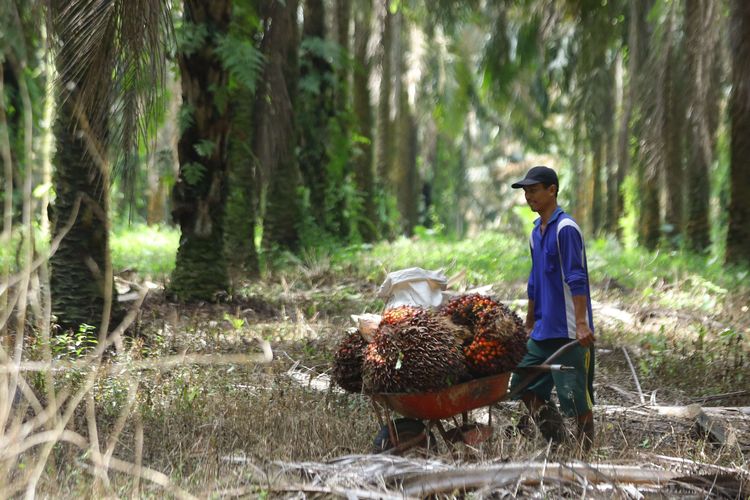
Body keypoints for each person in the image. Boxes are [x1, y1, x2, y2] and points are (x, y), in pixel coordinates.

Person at [509, 165, 596, 451]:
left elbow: (576, 277)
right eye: (526, 192)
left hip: (570, 330)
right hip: (543, 329)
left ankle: (585, 452)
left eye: (533, 191)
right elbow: (535, 280)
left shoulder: (566, 229)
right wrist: (530, 322)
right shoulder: (536, 232)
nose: (528, 197)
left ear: (552, 190)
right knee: (522, 383)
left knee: (575, 397)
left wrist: (582, 324)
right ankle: (556, 439)